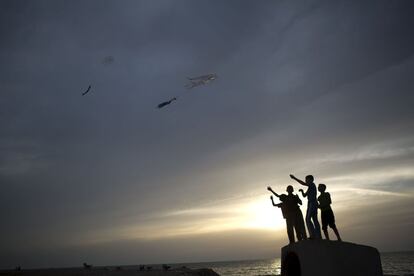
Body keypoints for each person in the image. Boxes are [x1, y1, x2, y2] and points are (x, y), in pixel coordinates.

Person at [290, 174, 322, 239]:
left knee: (308, 219)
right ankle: (318, 235)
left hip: (312, 203)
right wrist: (302, 192)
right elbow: (304, 195)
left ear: (311, 180)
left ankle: (313, 235)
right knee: (314, 219)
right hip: (311, 203)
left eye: (307, 180)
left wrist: (294, 178)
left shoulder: (312, 184)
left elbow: (303, 184)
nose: (306, 181)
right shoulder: (310, 187)